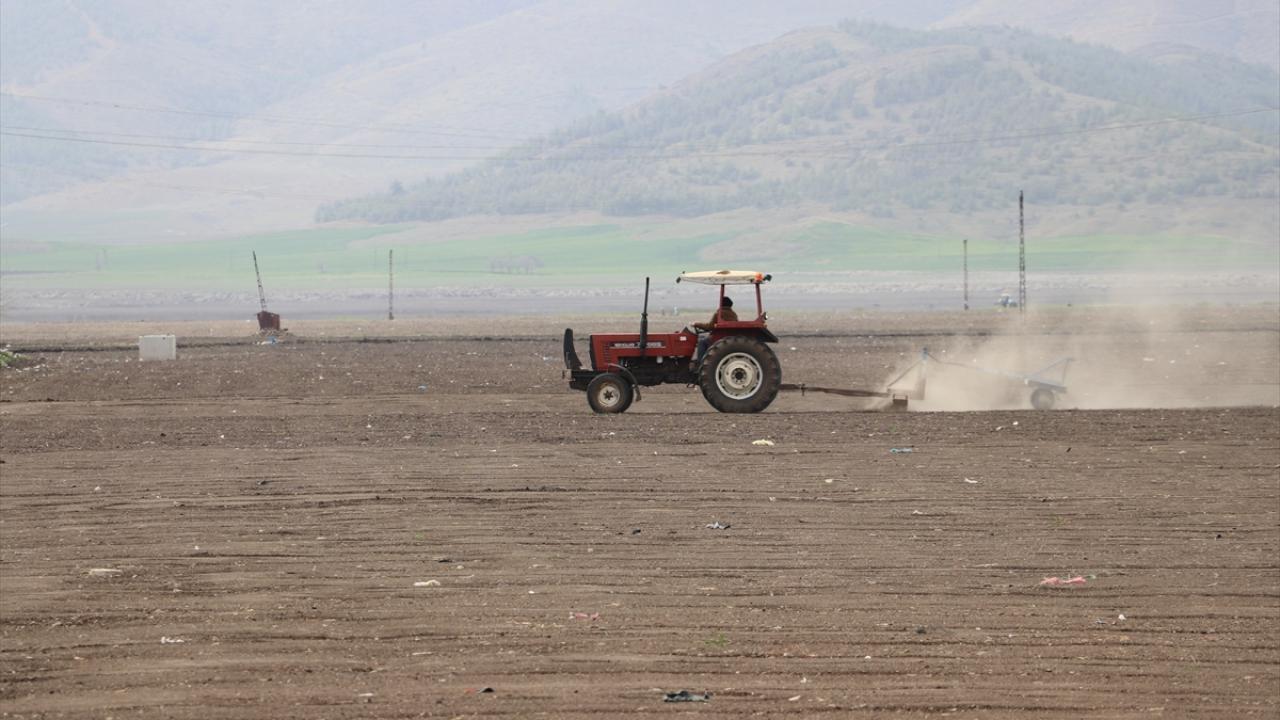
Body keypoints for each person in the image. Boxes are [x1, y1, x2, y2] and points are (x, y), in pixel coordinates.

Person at [691, 296, 737, 368]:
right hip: (729, 338)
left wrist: (696, 324)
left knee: (702, 342)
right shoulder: (734, 315)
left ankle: (700, 364)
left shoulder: (718, 314)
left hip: (719, 339)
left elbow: (709, 326)